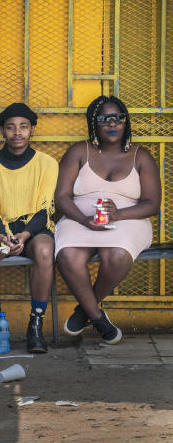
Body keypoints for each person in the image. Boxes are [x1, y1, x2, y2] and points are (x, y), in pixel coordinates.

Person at [54, 96, 159, 344]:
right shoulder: (80, 151)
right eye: (104, 119)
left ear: (126, 123)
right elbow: (61, 196)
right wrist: (83, 219)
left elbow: (152, 204)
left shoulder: (140, 156)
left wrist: (119, 214)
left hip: (129, 219)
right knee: (68, 256)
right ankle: (98, 317)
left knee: (118, 255)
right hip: (79, 217)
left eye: (118, 118)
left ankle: (84, 311)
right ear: (94, 124)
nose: (112, 123)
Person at [0, 103, 58, 354]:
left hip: (33, 232)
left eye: (23, 127)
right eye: (10, 127)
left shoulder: (47, 163)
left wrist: (25, 234)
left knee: (43, 251)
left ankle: (36, 326)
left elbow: (44, 209)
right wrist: (3, 237)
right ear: (2, 131)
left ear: (32, 130)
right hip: (1, 233)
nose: (17, 132)